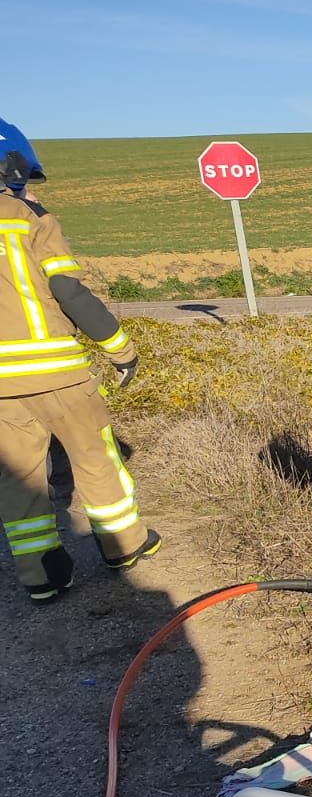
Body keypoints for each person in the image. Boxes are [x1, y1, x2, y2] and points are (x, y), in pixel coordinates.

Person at [0, 120, 158, 603]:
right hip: (57, 371)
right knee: (94, 456)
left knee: (18, 478)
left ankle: (41, 576)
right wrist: (120, 348)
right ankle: (124, 547)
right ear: (12, 167)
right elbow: (67, 290)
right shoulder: (29, 218)